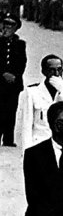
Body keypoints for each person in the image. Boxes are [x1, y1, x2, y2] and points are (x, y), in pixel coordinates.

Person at [17, 53, 63, 150]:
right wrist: (26, 152)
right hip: (39, 143)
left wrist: (62, 91)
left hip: (62, 143)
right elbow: (26, 125)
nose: (57, 74)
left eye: (59, 70)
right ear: (44, 71)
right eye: (52, 70)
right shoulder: (32, 92)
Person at [0, 13, 28, 146]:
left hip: (13, 84)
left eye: (10, 26)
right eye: (5, 25)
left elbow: (22, 63)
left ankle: (8, 139)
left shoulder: (20, 44)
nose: (7, 28)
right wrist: (3, 73)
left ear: (16, 28)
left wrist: (14, 75)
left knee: (11, 110)